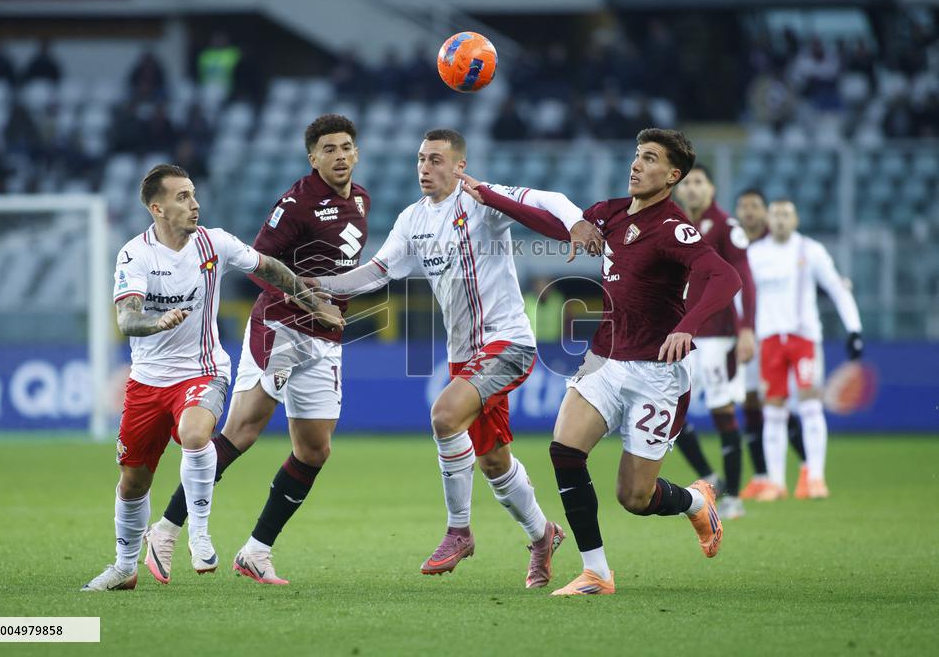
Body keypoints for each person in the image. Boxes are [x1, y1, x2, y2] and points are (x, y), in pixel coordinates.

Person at [464, 128, 742, 595]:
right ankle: (596, 572)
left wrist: (687, 326)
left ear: (672, 175)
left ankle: (696, 502)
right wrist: (487, 194)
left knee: (635, 497)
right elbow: (556, 225)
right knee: (564, 450)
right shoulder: (610, 213)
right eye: (636, 155)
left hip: (657, 372)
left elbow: (726, 277)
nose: (636, 164)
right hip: (604, 359)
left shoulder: (672, 228)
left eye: (649, 158)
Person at [308, 129, 571, 589]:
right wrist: (321, 285)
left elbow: (551, 200)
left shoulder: (482, 200)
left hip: (507, 343)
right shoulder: (412, 219)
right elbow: (378, 272)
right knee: (494, 462)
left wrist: (579, 223)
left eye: (435, 160)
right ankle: (542, 535)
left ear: (459, 166)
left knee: (444, 416)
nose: (424, 168)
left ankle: (458, 532)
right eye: (420, 159)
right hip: (463, 355)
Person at [81, 164, 343, 591]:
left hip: (203, 370)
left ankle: (199, 534)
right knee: (133, 481)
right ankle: (124, 567)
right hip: (148, 381)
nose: (194, 203)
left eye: (193, 194)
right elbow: (126, 318)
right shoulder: (135, 254)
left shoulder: (214, 242)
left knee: (195, 433)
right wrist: (157, 322)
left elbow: (270, 268)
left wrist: (311, 301)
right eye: (182, 197)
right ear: (157, 208)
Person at [144, 115, 370, 586]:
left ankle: (256, 551)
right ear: (312, 158)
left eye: (346, 147)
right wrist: (312, 303)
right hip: (281, 329)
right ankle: (165, 529)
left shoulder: (362, 200)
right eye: (329, 149)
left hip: (325, 340)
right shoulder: (296, 204)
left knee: (315, 449)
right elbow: (258, 267)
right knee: (242, 431)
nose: (340, 156)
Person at [748, 200, 863, 500]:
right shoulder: (755, 254)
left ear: (796, 219)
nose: (781, 220)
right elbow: (741, 296)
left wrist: (854, 329)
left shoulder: (810, 250)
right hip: (769, 340)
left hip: (804, 339)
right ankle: (776, 483)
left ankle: (815, 478)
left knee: (810, 406)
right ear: (768, 220)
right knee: (773, 411)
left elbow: (837, 288)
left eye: (786, 215)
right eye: (776, 215)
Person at [670, 165, 757, 520]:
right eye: (687, 183)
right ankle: (711, 479)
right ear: (678, 189)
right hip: (683, 336)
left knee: (723, 411)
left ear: (711, 188)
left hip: (719, 338)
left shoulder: (725, 226)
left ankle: (733, 496)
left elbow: (744, 280)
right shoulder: (674, 225)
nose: (692, 188)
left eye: (699, 182)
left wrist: (747, 329)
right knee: (672, 413)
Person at [734, 189, 808, 500]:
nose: (749, 211)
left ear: (765, 212)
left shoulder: (782, 245)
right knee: (750, 401)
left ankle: (808, 466)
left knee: (776, 402)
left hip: (775, 334)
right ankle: (762, 475)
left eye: (755, 206)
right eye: (744, 206)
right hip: (744, 333)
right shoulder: (735, 243)